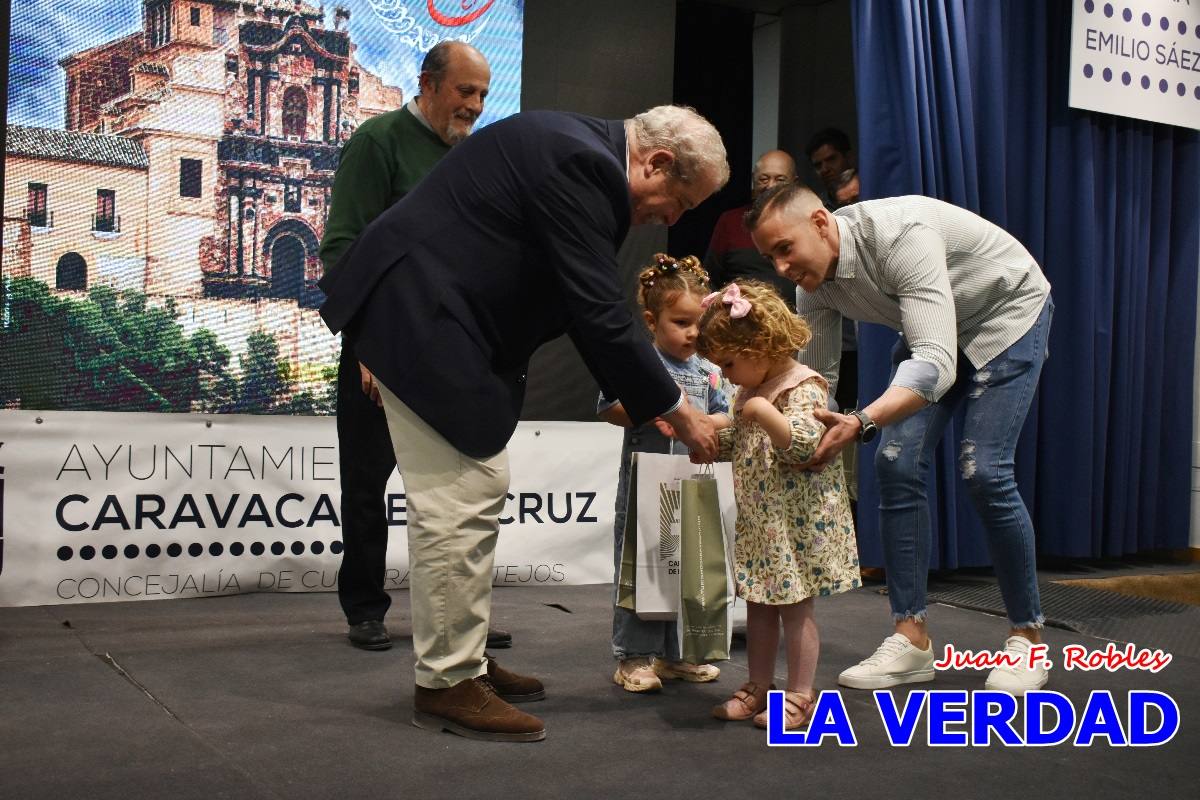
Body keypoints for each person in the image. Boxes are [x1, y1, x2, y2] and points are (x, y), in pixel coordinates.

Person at [318, 105, 730, 741]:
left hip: (435, 321)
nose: (672, 219)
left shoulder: (576, 149)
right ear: (657, 162)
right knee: (459, 498)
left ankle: (465, 661)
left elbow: (581, 308)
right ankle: (447, 682)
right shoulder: (583, 164)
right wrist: (678, 410)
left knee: (473, 491)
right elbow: (599, 312)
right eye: (680, 201)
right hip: (421, 321)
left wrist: (659, 404)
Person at [745, 183, 1054, 696]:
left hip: (1007, 312)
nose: (781, 267)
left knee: (984, 472)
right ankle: (911, 638)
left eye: (785, 248)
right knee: (894, 463)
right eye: (769, 257)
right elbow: (817, 382)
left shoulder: (900, 236)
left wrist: (861, 421)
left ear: (820, 223)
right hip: (934, 330)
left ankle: (1028, 639)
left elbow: (935, 364)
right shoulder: (813, 286)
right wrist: (797, 433)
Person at [317, 42, 514, 653]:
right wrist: (368, 345)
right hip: (381, 351)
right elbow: (343, 250)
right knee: (367, 485)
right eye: (465, 91)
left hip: (453, 354)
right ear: (427, 84)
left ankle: (460, 616)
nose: (475, 105)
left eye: (483, 95)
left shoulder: (473, 156)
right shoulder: (377, 142)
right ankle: (364, 609)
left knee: (459, 494)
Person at [695, 280, 860, 730]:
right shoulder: (749, 390)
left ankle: (801, 695)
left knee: (795, 608)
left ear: (758, 346)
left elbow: (803, 446)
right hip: (761, 523)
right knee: (759, 605)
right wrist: (708, 439)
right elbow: (740, 439)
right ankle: (758, 685)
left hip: (795, 526)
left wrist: (765, 413)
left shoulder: (804, 386)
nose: (727, 376)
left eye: (729, 364)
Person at [598, 253, 731, 693]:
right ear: (652, 321)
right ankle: (633, 656)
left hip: (693, 487)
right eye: (681, 322)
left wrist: (705, 422)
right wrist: (652, 411)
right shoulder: (641, 365)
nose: (693, 332)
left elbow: (727, 414)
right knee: (644, 567)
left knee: (689, 566)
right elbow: (609, 407)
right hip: (646, 486)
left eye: (698, 323)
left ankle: (677, 655)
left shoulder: (711, 372)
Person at [704, 150, 798, 306]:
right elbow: (709, 278)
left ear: (794, 183)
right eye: (763, 179)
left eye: (780, 179)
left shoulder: (804, 223)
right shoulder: (731, 221)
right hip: (738, 317)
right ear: (754, 180)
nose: (770, 185)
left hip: (795, 316)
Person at [804, 127, 859, 210]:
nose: (824, 169)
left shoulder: (872, 192)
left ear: (848, 157)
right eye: (818, 165)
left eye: (831, 159)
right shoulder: (815, 208)